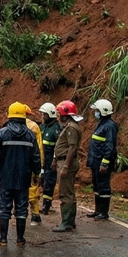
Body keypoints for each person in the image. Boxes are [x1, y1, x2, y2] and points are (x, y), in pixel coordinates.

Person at [0, 102, 41, 246]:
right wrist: (37, 174)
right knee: (21, 208)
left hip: (6, 177)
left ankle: (3, 239)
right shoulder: (30, 135)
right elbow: (36, 157)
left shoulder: (2, 133)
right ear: (24, 117)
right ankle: (20, 239)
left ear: (9, 116)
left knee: (4, 208)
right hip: (24, 178)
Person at [50, 100, 84, 233]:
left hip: (66, 163)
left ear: (65, 112)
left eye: (59, 112)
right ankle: (70, 221)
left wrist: (65, 166)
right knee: (69, 193)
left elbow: (72, 147)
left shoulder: (71, 128)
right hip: (63, 161)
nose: (58, 115)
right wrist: (55, 160)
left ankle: (66, 222)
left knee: (66, 194)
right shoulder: (69, 126)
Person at [86, 99, 118, 220]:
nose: (95, 113)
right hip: (95, 161)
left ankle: (104, 212)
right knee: (96, 185)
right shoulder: (101, 123)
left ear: (102, 111)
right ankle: (97, 210)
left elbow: (110, 146)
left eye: (97, 111)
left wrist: (105, 163)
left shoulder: (110, 126)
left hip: (102, 162)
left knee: (103, 186)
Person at [37, 102, 61, 215]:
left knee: (49, 183)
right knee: (41, 181)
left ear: (50, 115)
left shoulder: (56, 129)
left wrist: (55, 160)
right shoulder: (42, 127)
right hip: (42, 161)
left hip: (51, 162)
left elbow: (58, 146)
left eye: (44, 115)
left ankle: (46, 206)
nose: (42, 117)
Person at [23, 107, 46, 225]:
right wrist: (40, 166)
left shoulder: (9, 126)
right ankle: (35, 215)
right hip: (31, 163)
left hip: (17, 164)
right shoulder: (34, 127)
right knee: (32, 186)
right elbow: (39, 149)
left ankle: (20, 214)